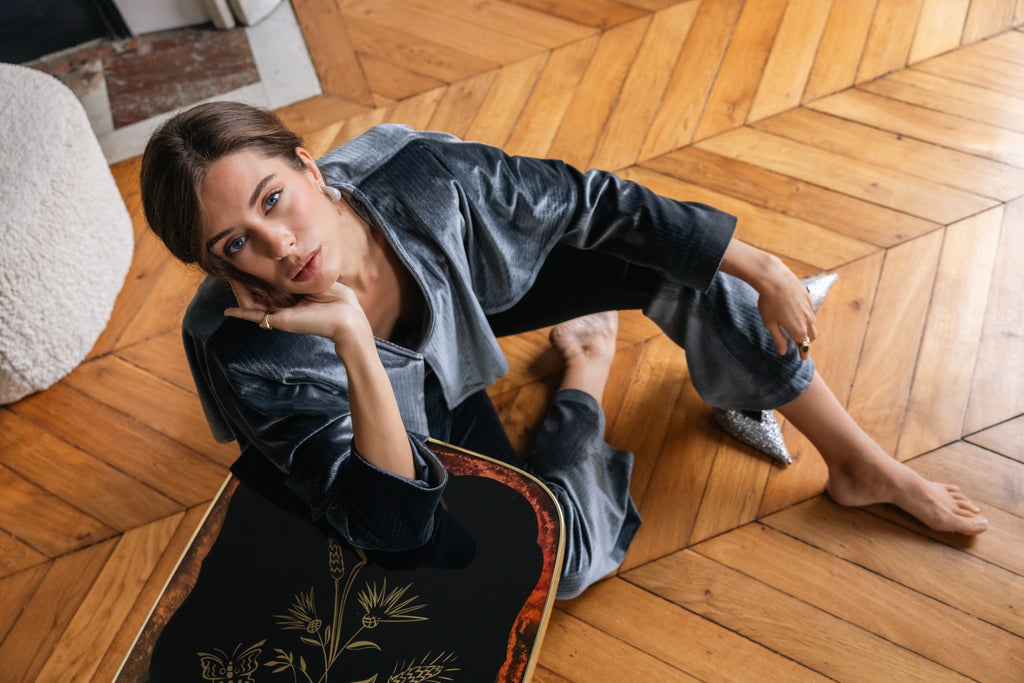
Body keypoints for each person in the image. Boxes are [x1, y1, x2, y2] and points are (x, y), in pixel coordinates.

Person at [140, 102, 987, 599]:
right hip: (402, 413)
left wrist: (761, 262)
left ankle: (860, 464)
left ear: (309, 166)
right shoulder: (256, 357)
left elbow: (595, 200)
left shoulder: (424, 175)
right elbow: (392, 527)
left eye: (275, 198)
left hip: (471, 293)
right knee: (555, 564)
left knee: (692, 264)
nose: (279, 246)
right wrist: (357, 342)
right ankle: (585, 372)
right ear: (216, 270)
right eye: (234, 245)